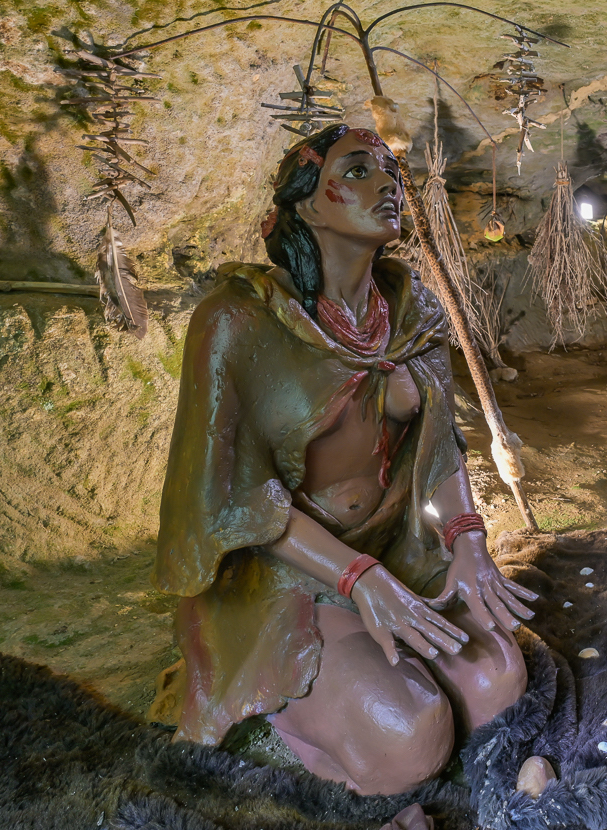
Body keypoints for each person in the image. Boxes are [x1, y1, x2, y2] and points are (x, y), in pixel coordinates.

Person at [154, 124, 536, 797]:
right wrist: (356, 579)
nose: (388, 183)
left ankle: (369, 696)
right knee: (410, 731)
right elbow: (232, 497)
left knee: (497, 679)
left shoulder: (412, 308)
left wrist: (467, 541)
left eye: (391, 170)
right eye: (358, 170)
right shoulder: (235, 322)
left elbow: (440, 446)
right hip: (285, 579)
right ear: (306, 206)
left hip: (392, 553)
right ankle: (290, 719)